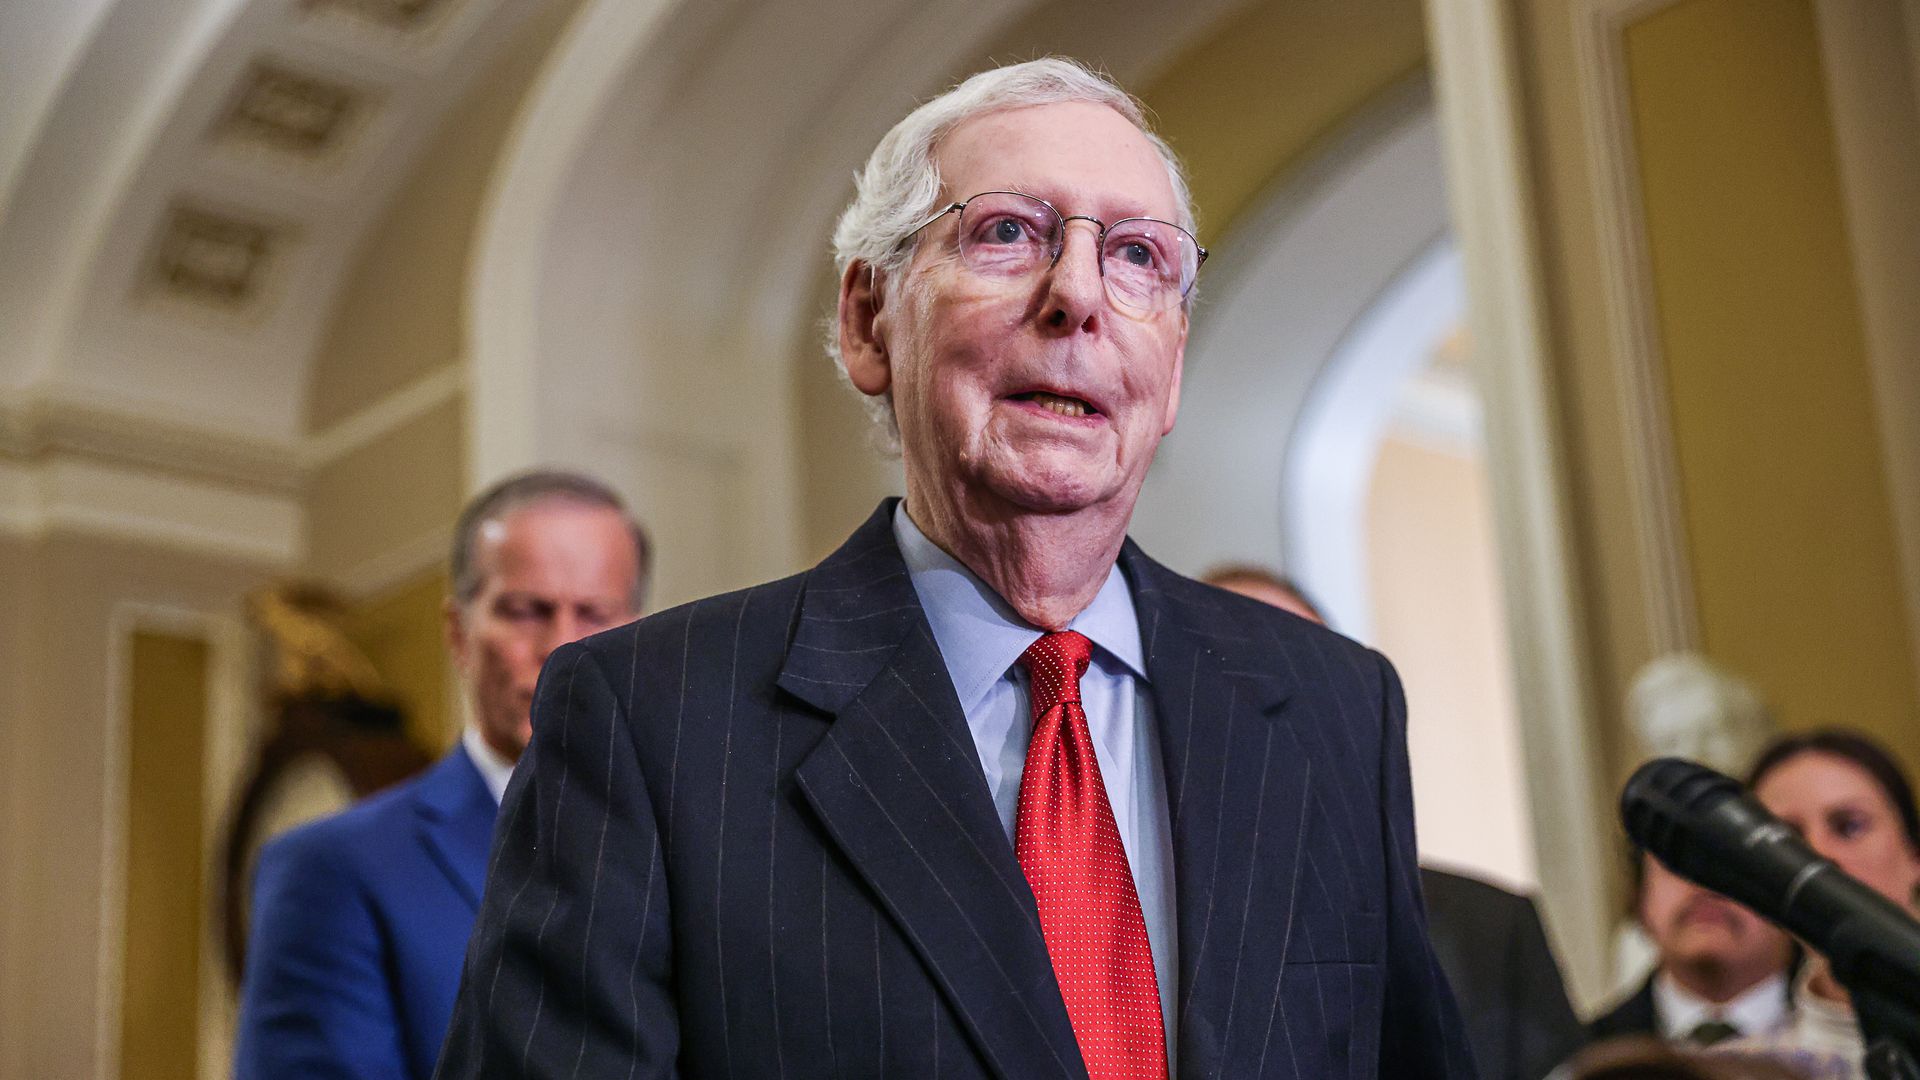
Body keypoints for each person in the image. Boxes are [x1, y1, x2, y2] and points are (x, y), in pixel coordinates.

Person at [436, 57, 1474, 1079]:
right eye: (1007, 233)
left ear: (1174, 369)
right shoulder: (647, 720)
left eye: (1138, 256)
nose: (1078, 295)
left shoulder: (1335, 705)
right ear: (866, 322)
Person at [233, 470, 650, 1080]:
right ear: (459, 633)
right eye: (526, 611)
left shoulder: (708, 847)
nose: (564, 649)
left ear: (642, 634)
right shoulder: (332, 869)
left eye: (594, 612)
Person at [1202, 565, 1586, 1079]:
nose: (1274, 705)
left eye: (1302, 667)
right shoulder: (1117, 927)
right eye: (1240, 672)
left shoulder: (1491, 930)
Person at [1717, 729, 1920, 1079]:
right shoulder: (1741, 1071)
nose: (1819, 855)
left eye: (1849, 826)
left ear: (1914, 855)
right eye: (1786, 841)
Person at [1587, 850, 1794, 1046]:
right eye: (1678, 862)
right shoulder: (1584, 1057)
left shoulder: (1825, 1036)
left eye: (1736, 864)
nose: (1706, 885)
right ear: (1639, 894)